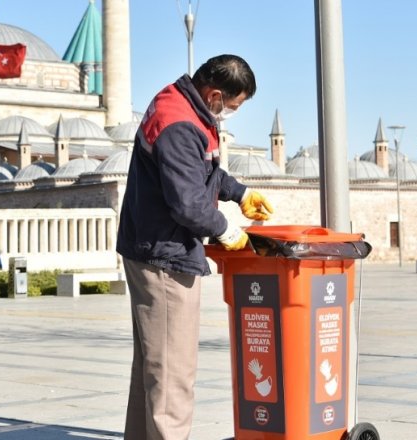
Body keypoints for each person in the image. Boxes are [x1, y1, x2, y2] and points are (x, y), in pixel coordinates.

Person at [116, 54, 273, 439]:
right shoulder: (180, 123)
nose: (229, 114)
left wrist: (238, 192)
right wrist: (225, 229)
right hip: (165, 256)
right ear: (215, 94)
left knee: (153, 368)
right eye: (232, 107)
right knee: (173, 374)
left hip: (151, 246)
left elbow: (202, 171)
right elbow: (187, 201)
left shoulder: (180, 104)